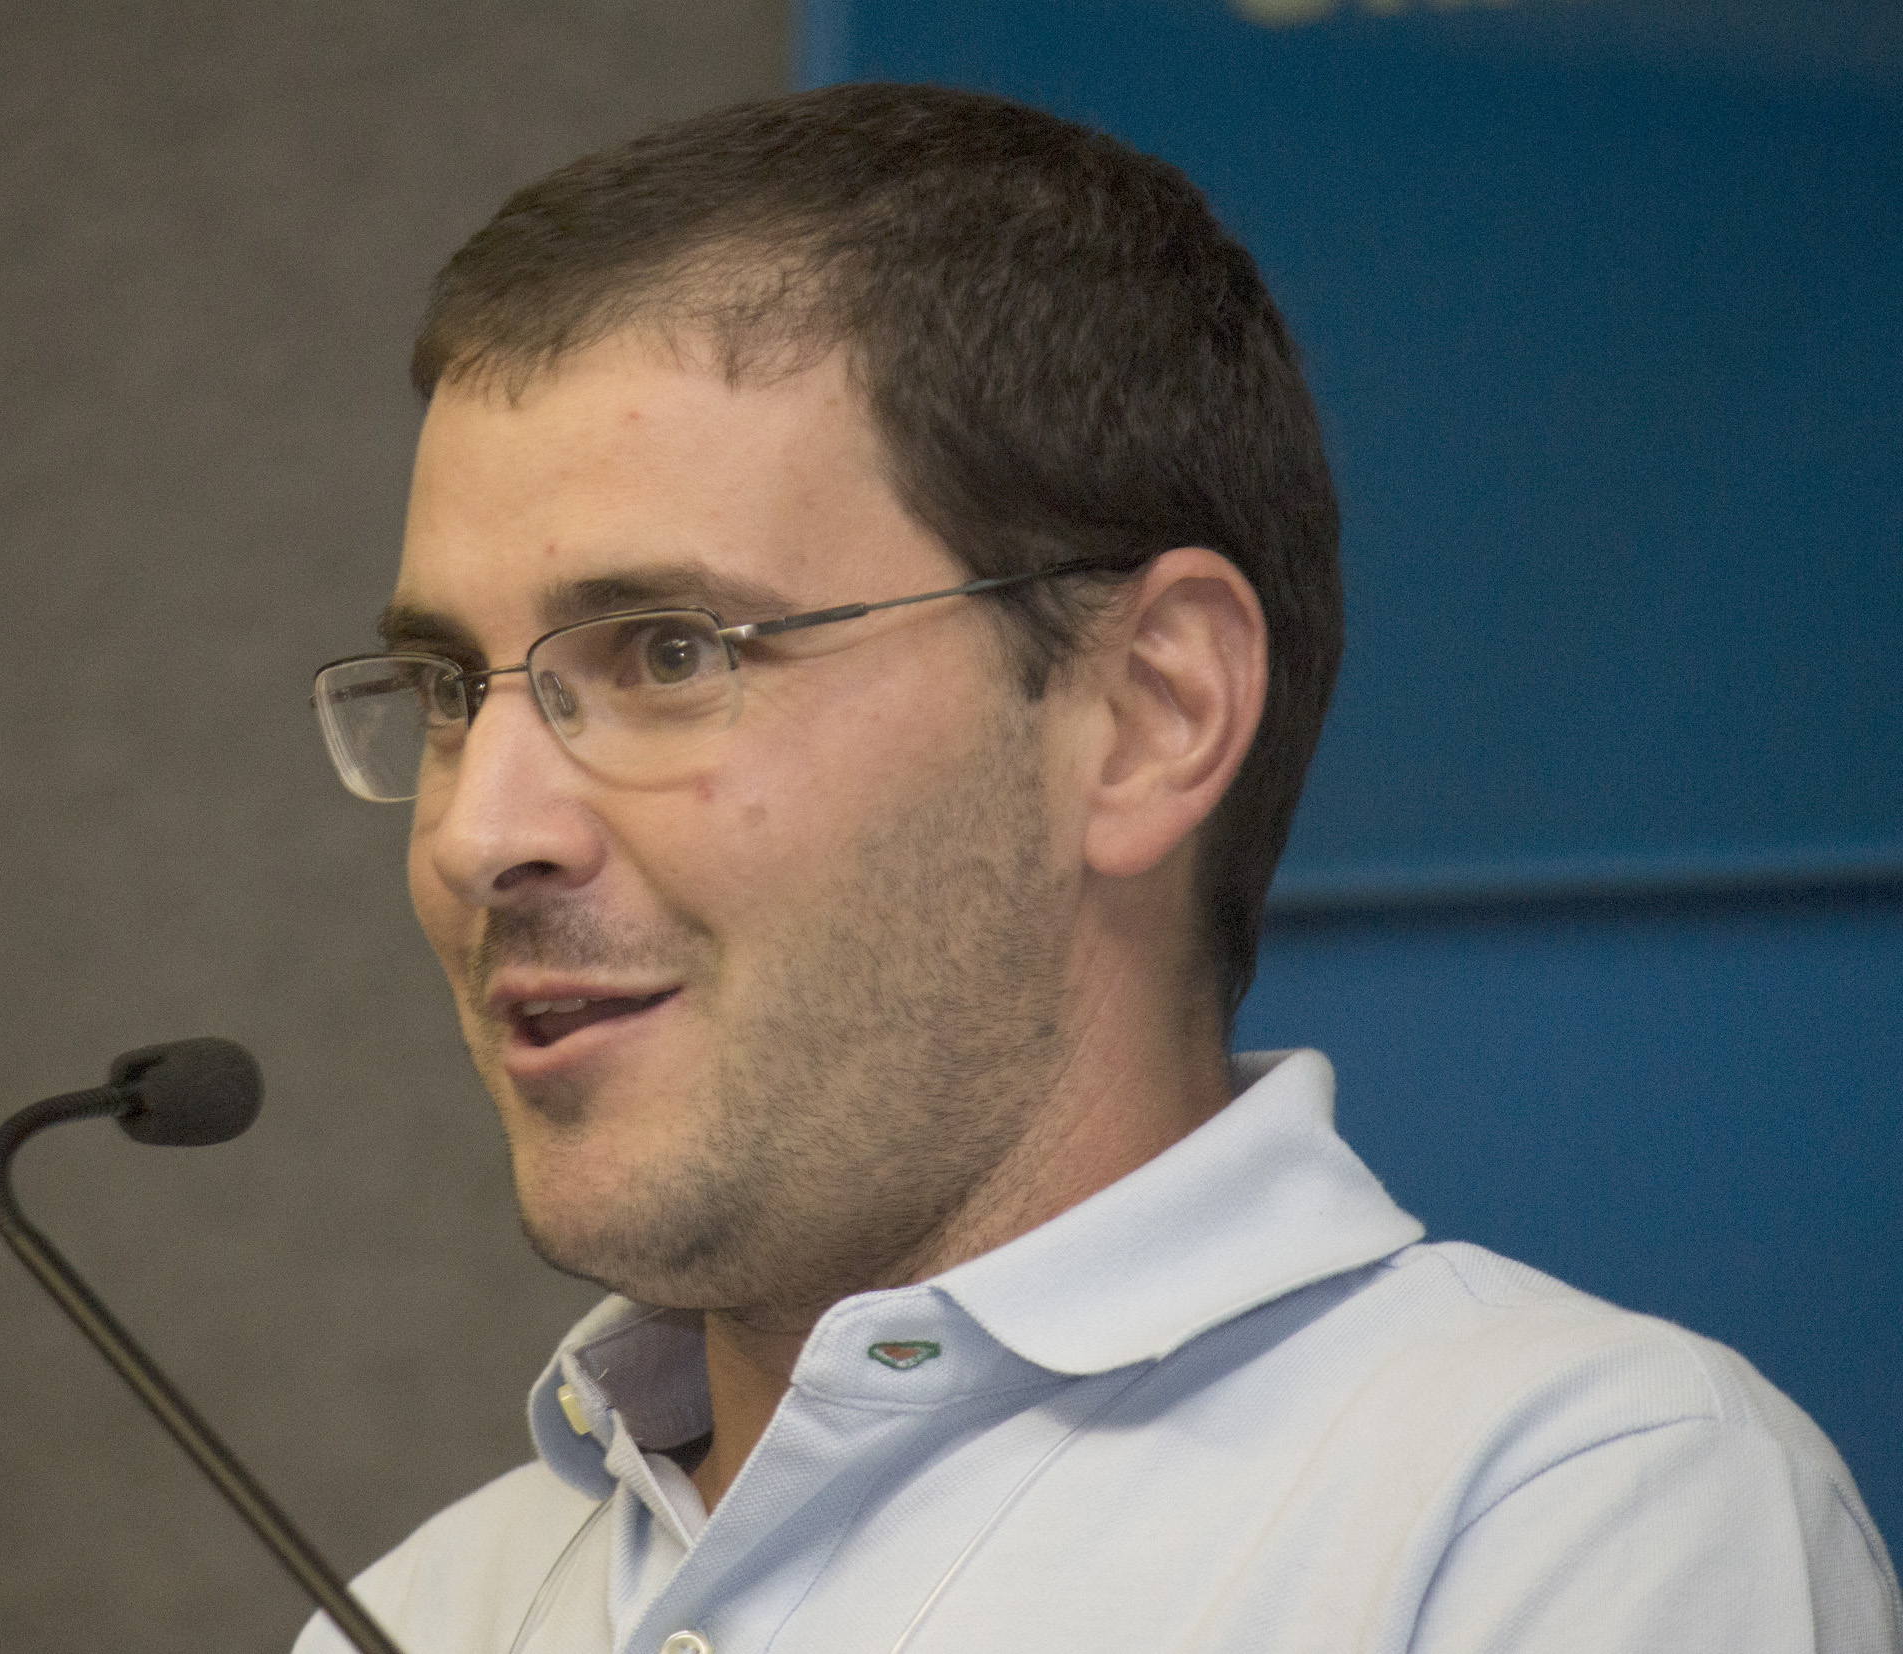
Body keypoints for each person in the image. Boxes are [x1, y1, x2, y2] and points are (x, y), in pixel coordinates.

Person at [300, 83, 1898, 1654]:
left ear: (1146, 714)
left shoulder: (1569, 1512)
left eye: (667, 652)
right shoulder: (413, 1613)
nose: (480, 831)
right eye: (447, 689)